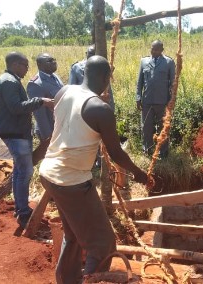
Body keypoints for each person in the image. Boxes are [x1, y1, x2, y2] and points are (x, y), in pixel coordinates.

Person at [39, 55, 149, 283]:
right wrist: (139, 174)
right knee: (102, 243)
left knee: (74, 234)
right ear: (105, 77)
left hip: (49, 172)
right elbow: (116, 153)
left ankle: (67, 279)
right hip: (71, 182)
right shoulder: (101, 109)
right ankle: (91, 280)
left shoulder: (64, 91)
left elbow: (68, 127)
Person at [0, 51, 54, 227]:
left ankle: (21, 209)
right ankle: (23, 212)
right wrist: (40, 101)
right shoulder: (9, 82)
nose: (27, 69)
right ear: (15, 65)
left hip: (16, 132)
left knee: (20, 171)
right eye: (25, 65)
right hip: (15, 133)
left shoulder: (9, 80)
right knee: (25, 172)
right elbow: (16, 107)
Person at [136, 40, 175, 157]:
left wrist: (172, 100)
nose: (154, 51)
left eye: (157, 49)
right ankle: (147, 150)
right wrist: (138, 97)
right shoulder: (144, 61)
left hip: (163, 102)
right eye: (152, 49)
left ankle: (163, 153)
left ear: (162, 50)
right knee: (146, 127)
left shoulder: (169, 62)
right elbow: (140, 82)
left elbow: (173, 84)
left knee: (163, 128)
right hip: (147, 101)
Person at [27, 53, 63, 158]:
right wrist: (48, 137)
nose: (54, 62)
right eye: (49, 61)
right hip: (50, 129)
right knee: (53, 158)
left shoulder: (54, 76)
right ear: (39, 64)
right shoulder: (36, 84)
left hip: (60, 126)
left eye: (54, 59)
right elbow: (39, 115)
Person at [69, 44, 115, 110]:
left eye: (96, 54)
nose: (93, 56)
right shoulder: (77, 67)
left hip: (104, 104)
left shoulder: (104, 66)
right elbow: (72, 90)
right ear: (86, 53)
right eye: (91, 53)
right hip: (85, 107)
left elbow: (106, 87)